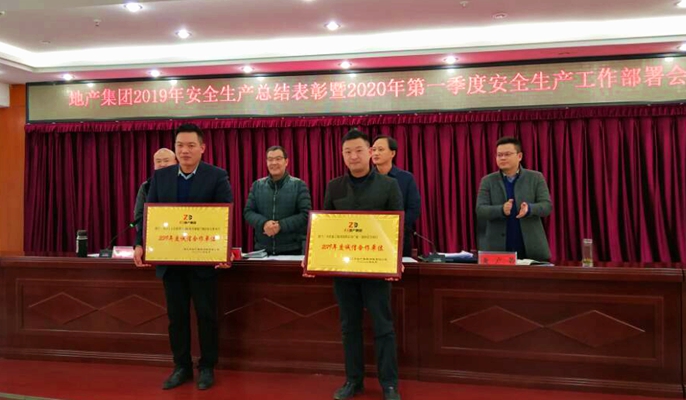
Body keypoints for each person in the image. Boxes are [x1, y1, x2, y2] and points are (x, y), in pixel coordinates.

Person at [133, 123, 233, 391]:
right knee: (176, 317)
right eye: (180, 145)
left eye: (191, 145)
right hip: (171, 260)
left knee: (206, 315)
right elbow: (149, 215)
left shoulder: (216, 176)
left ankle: (207, 366)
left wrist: (223, 249)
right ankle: (181, 366)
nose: (185, 150)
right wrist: (139, 244)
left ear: (202, 148)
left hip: (203, 260)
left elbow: (224, 215)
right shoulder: (161, 177)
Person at [317, 129, 404, 400]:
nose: (353, 156)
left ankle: (389, 384)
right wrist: (317, 256)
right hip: (344, 270)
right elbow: (325, 227)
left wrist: (395, 261)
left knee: (383, 326)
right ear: (342, 155)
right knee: (349, 327)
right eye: (347, 152)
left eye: (358, 150)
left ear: (370, 152)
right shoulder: (334, 186)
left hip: (376, 269)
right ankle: (353, 380)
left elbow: (398, 227)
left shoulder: (388, 185)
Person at [476, 136, 552, 261]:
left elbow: (547, 206)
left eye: (507, 154)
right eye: (499, 155)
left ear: (519, 156)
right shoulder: (488, 181)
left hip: (531, 248)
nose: (502, 158)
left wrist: (529, 209)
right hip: (497, 249)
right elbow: (480, 210)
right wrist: (501, 210)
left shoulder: (536, 177)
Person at [243, 145, 312, 255]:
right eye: (270, 159)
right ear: (266, 162)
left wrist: (280, 225)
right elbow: (248, 212)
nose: (274, 163)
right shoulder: (257, 186)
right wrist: (264, 223)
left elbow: (305, 214)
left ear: (286, 162)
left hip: (292, 250)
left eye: (278, 159)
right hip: (262, 250)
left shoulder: (299, 185)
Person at [371, 136, 421, 257]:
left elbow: (414, 209)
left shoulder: (406, 178)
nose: (376, 153)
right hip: (371, 237)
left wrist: (396, 226)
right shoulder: (366, 179)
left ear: (392, 153)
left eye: (380, 149)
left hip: (399, 237)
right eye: (373, 150)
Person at [133, 148, 176, 226]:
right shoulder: (146, 186)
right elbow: (139, 214)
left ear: (176, 162)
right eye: (158, 161)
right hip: (155, 229)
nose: (162, 164)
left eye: (166, 161)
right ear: (154, 165)